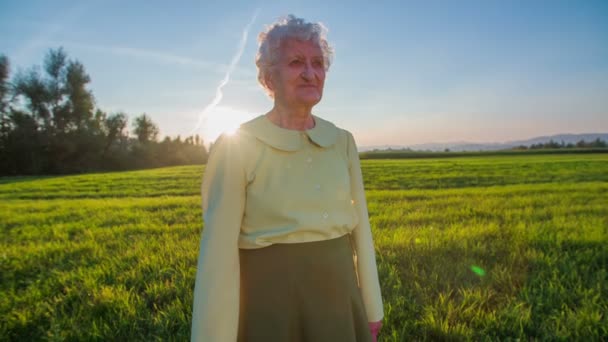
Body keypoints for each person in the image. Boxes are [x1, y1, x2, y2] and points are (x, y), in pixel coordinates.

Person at [191, 14, 384, 342]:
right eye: (296, 62)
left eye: (318, 62)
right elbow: (217, 257)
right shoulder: (236, 145)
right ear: (268, 78)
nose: (311, 73)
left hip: (339, 298)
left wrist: (372, 308)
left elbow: (361, 229)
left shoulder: (342, 141)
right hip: (270, 306)